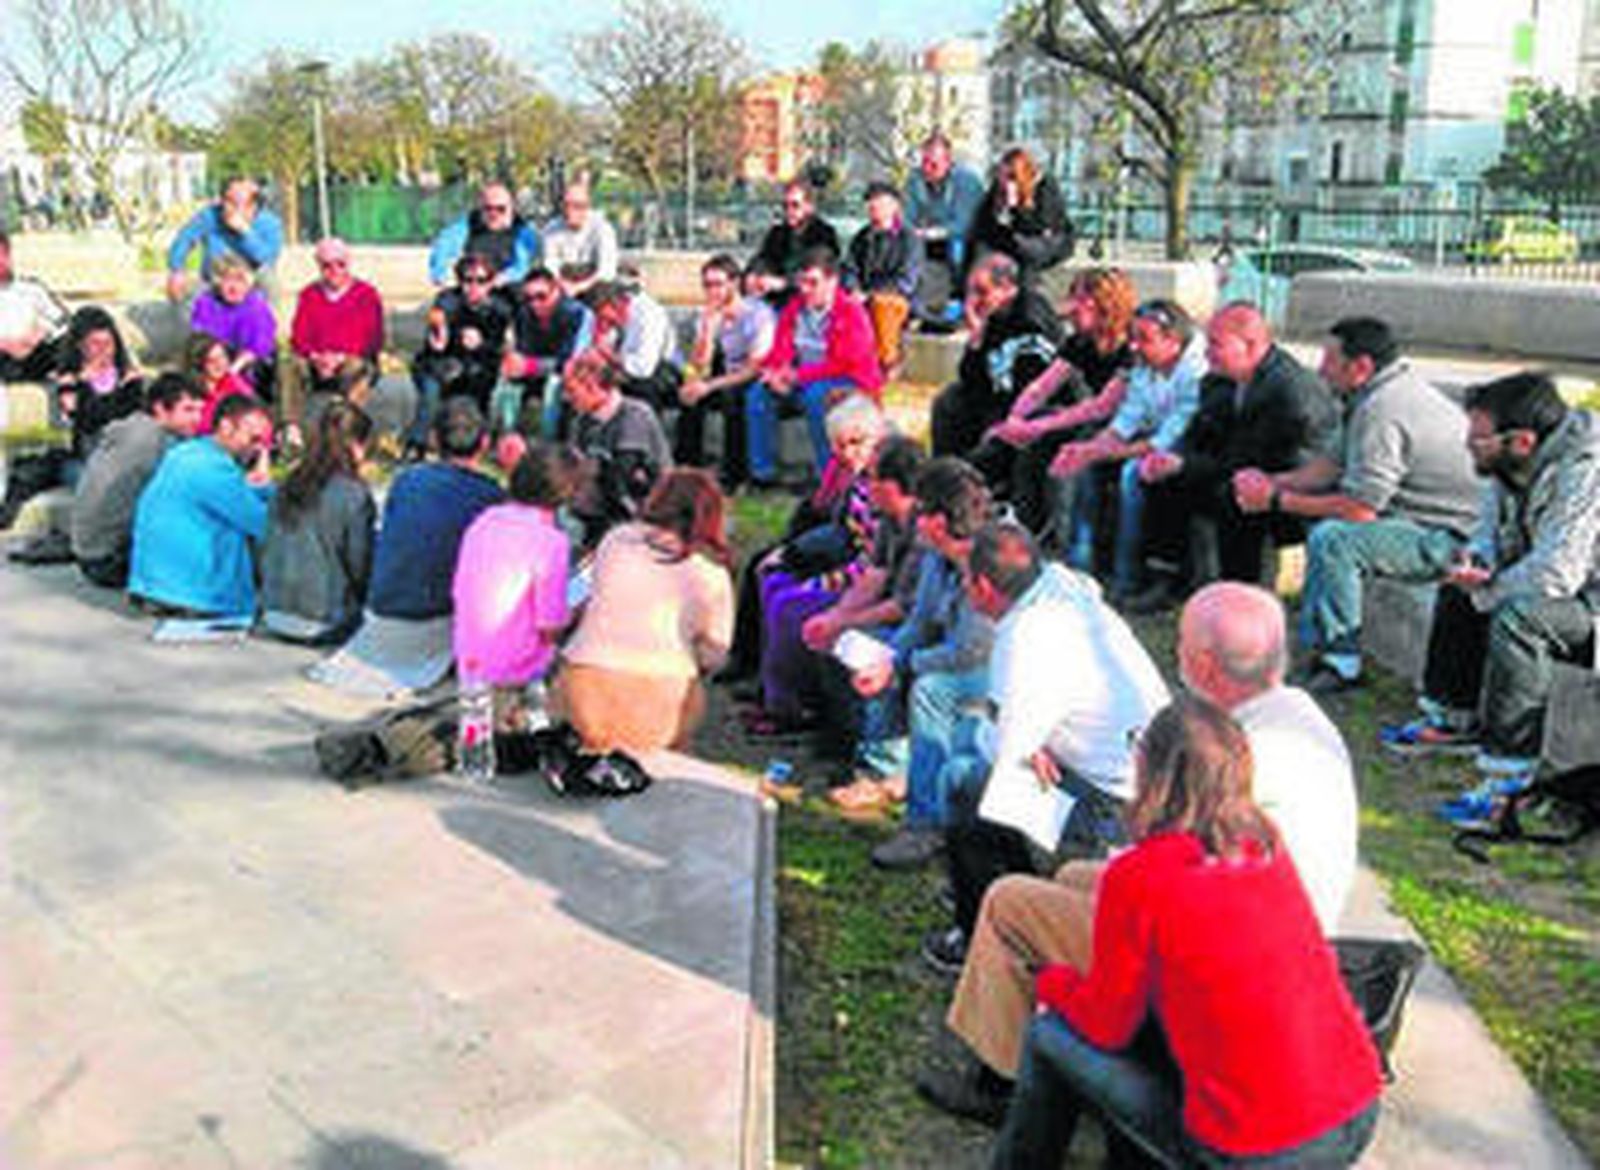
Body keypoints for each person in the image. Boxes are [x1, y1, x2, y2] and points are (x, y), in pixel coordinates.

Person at [923, 582, 1360, 1126]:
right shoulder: (1295, 716)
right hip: (1278, 929)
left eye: (1178, 641)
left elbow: (1165, 872)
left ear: (1203, 663)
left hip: (1228, 960)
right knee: (1077, 874)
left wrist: (1066, 982)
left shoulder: (1229, 756)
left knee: (1008, 901)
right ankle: (1021, 1032)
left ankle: (1001, 1084)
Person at [987, 696, 1381, 1170]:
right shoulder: (1263, 843)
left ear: (1153, 773)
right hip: (1356, 1105)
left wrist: (1052, 982)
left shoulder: (1139, 877)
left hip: (1255, 1149)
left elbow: (1108, 1026)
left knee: (1049, 1034)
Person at [919, 521, 1170, 975]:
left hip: (1112, 808)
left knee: (964, 778)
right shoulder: (1061, 585)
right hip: (1149, 775)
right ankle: (1002, 878)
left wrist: (1020, 740)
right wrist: (1024, 738)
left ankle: (982, 928)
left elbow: (1006, 752)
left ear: (982, 587)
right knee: (979, 746)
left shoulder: (1026, 638)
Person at [1381, 372, 1600, 819]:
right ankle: (1451, 719)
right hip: (1561, 588)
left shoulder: (1587, 471)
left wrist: (1491, 589)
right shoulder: (1510, 464)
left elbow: (1558, 574)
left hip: (1590, 602)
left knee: (1520, 618)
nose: (1467, 445)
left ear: (1520, 441)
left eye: (1478, 438)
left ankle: (1510, 778)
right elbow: (1487, 532)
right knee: (1462, 582)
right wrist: (1477, 563)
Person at [1228, 317, 1481, 692]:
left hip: (1452, 537)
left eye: (1330, 360)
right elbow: (1329, 466)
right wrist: (1271, 481)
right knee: (1319, 524)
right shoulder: (1374, 394)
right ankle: (1312, 641)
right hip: (1417, 517)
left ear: (1360, 366)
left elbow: (1361, 509)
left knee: (1334, 539)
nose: (1320, 370)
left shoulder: (1383, 409)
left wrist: (1276, 499)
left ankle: (1341, 662)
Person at [1131, 301, 1340, 609]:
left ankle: (1239, 595)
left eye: (1216, 344)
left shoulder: (1287, 390)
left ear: (1251, 345)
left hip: (1293, 490)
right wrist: (1172, 458)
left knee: (1234, 496)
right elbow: (1202, 432)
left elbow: (1254, 460)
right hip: (1241, 467)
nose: (1206, 353)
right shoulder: (1222, 380)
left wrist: (1185, 464)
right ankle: (1167, 579)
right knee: (1163, 480)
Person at [840, 459, 998, 848]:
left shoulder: (992, 563)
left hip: (1002, 669)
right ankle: (886, 767)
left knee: (932, 689)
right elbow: (920, 621)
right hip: (957, 652)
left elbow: (970, 651)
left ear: (940, 523)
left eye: (922, 509)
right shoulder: (936, 555)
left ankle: (924, 824)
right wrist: (887, 659)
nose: (914, 516)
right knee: (877, 649)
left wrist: (900, 666)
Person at [312, 398, 505, 696]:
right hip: (435, 620)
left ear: (433, 439)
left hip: (381, 613)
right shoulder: (492, 496)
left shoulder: (405, 480)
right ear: (485, 443)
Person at [555, 468, 735, 752]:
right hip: (664, 706)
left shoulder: (613, 540)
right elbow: (714, 656)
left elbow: (569, 598)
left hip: (585, 694)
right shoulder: (712, 573)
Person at [1048, 298, 1207, 599]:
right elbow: (1125, 421)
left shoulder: (1195, 373)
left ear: (1173, 341)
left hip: (1192, 446)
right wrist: (1088, 450)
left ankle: (1128, 577)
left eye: (1143, 339)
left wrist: (1099, 451)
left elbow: (1168, 439)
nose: (1133, 347)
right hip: (1158, 438)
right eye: (1132, 338)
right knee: (1087, 465)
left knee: (1132, 474)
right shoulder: (1145, 366)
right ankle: (1081, 564)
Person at [748, 395, 885, 734]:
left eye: (857, 443)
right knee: (772, 581)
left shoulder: (881, 488)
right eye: (840, 445)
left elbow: (873, 563)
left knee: (791, 604)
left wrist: (821, 584)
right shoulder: (856, 480)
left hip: (868, 586)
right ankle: (769, 690)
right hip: (847, 564)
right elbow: (836, 528)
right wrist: (792, 552)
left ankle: (791, 707)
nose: (848, 453)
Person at [803, 434, 927, 786]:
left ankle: (884, 767)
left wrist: (849, 622)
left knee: (869, 652)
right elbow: (875, 575)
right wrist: (836, 618)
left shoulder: (924, 530)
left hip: (922, 627)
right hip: (896, 615)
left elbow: (904, 606)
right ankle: (844, 741)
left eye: (872, 477)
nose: (865, 484)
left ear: (895, 484)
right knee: (832, 639)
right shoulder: (889, 519)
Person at [976, 267, 1136, 535]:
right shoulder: (1080, 342)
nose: (1070, 307)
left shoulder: (1131, 344)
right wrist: (1014, 420)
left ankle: (1065, 540)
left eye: (1080, 299)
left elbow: (1104, 406)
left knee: (1067, 454)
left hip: (1127, 424)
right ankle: (1025, 527)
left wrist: (1036, 427)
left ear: (1105, 304)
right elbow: (1042, 387)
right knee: (1030, 446)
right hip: (1094, 418)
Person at [452, 443, 578, 713]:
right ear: (566, 493)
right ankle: (535, 721)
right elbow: (550, 626)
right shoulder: (551, 542)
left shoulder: (484, 520)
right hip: (514, 669)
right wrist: (576, 610)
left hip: (469, 658)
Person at [127, 393, 274, 620]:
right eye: (253, 439)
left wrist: (266, 489)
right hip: (196, 597)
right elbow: (264, 524)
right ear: (226, 427)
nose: (257, 448)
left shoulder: (184, 453)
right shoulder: (215, 470)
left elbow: (228, 494)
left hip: (150, 586)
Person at [750, 248, 884, 483]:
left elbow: (843, 364)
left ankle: (828, 478)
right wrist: (775, 373)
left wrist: (795, 376)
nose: (805, 289)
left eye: (813, 283)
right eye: (802, 282)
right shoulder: (794, 308)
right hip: (804, 378)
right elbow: (780, 349)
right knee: (758, 395)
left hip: (850, 382)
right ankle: (763, 473)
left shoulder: (851, 312)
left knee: (816, 398)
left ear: (832, 281)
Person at [70, 372, 206, 588]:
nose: (197, 419)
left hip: (87, 552)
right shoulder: (157, 443)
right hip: (109, 561)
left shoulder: (132, 427)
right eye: (188, 410)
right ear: (160, 408)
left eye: (200, 410)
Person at [259, 400, 377, 644]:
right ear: (356, 445)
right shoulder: (354, 494)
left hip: (272, 613)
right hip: (324, 620)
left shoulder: (286, 484)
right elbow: (360, 566)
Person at [929, 254, 1062, 460]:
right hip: (996, 403)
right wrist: (976, 338)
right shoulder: (993, 317)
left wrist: (1003, 424)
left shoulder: (1031, 321)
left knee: (979, 461)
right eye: (970, 293)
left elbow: (1034, 389)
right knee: (949, 401)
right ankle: (944, 470)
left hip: (1029, 414)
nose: (973, 301)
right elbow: (971, 381)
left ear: (1007, 288)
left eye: (982, 292)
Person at [676, 254, 776, 485]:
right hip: (722, 373)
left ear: (734, 283)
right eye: (707, 285)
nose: (713, 291)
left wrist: (708, 385)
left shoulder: (758, 316)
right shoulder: (706, 315)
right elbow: (699, 366)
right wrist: (708, 332)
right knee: (690, 397)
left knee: (733, 398)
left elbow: (754, 367)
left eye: (718, 284)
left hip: (752, 375)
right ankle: (687, 467)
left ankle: (735, 475)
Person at [406, 253, 516, 458]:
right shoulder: (448, 299)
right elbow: (439, 321)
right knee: (432, 386)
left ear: (491, 282)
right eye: (467, 280)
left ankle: (475, 441)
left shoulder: (500, 310)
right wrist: (446, 334)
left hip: (480, 369)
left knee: (480, 381)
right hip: (440, 365)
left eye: (481, 280)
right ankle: (416, 444)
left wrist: (482, 344)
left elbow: (502, 349)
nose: (473, 286)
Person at [564, 347, 672, 546]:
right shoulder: (583, 419)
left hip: (637, 511)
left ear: (593, 386)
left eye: (572, 390)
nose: (567, 397)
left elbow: (619, 483)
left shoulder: (635, 416)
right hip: (601, 505)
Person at [496, 266, 593, 438]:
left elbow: (572, 362)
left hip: (574, 373)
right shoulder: (523, 313)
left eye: (541, 296)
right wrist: (513, 361)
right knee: (507, 384)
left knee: (553, 386)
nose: (535, 304)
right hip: (538, 367)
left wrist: (530, 366)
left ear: (556, 291)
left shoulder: (578, 314)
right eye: (529, 298)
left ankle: (549, 443)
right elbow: (522, 350)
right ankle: (508, 437)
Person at [904, 131, 985, 329]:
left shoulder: (967, 181)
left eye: (934, 164)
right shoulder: (915, 180)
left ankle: (957, 299)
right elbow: (907, 217)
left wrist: (929, 232)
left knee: (956, 247)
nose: (927, 169)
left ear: (948, 162)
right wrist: (915, 232)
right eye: (924, 162)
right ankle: (912, 301)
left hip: (966, 239)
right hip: (930, 235)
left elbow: (963, 224)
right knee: (908, 245)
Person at [289, 237, 385, 403]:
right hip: (317, 360)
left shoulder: (367, 295)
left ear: (348, 263)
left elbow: (373, 339)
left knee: (356, 369)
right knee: (288, 367)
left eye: (340, 264)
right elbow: (299, 336)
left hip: (352, 359)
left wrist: (339, 358)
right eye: (327, 265)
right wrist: (316, 357)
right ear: (319, 266)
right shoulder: (309, 295)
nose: (334, 270)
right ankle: (291, 425)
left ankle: (346, 424)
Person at [843, 181, 923, 377]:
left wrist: (869, 295)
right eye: (870, 203)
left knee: (882, 304)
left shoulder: (909, 238)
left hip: (899, 299)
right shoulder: (861, 238)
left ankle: (888, 364)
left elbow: (907, 281)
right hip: (864, 296)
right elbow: (849, 269)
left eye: (879, 203)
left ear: (894, 206)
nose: (873, 208)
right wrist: (853, 290)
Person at [966, 147, 1074, 284]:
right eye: (1001, 175)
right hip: (1011, 240)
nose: (1004, 181)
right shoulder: (998, 188)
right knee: (982, 250)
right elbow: (983, 224)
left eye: (1010, 176)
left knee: (1024, 251)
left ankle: (1027, 290)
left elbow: (1041, 227)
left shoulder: (1045, 188)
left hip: (1046, 242)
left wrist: (1017, 209)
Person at [165, 178, 284, 302]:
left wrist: (245, 232)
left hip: (250, 282)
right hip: (214, 281)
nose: (229, 208)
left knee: (269, 280)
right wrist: (176, 269)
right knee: (181, 288)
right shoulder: (210, 216)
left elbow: (268, 258)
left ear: (252, 207)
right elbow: (185, 238)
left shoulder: (270, 224)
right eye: (227, 201)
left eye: (236, 203)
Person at [188, 255, 278, 398]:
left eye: (240, 280)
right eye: (227, 280)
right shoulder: (205, 304)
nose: (234, 287)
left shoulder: (257, 307)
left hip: (247, 364)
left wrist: (231, 371)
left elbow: (259, 348)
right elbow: (200, 341)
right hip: (213, 360)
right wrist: (217, 364)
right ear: (217, 283)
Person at [590, 276, 682, 414]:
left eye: (605, 317)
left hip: (660, 372)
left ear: (618, 304)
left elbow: (644, 368)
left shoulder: (648, 317)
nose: (604, 323)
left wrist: (609, 356)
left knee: (639, 390)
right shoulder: (615, 313)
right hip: (628, 368)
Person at [427, 182, 541, 288]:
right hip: (471, 285)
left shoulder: (523, 232)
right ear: (480, 207)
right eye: (488, 208)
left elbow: (523, 266)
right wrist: (440, 272)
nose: (494, 214)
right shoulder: (468, 224)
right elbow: (445, 244)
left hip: (507, 290)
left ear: (511, 208)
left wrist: (503, 278)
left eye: (501, 209)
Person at [751, 179, 841, 307]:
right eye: (785, 206)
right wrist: (754, 275)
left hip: (807, 302)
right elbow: (762, 259)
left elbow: (820, 273)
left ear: (809, 207)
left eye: (795, 205)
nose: (789, 211)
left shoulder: (824, 234)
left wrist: (784, 283)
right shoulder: (777, 233)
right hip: (774, 300)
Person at [0, 227, 69, 383]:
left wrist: (40, 332)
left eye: (2, 254)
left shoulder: (31, 288)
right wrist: (7, 344)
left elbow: (62, 320)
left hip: (34, 351)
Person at [540, 178, 619, 301]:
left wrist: (578, 288)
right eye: (566, 204)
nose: (569, 210)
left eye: (577, 206)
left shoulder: (602, 228)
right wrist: (563, 284)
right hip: (563, 279)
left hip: (594, 282)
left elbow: (606, 271)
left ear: (587, 206)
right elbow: (550, 264)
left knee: (602, 294)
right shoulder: (551, 229)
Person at [187, 332, 256, 435]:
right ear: (200, 365)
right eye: (212, 360)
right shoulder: (192, 392)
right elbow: (203, 424)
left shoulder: (234, 383)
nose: (220, 364)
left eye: (222, 356)